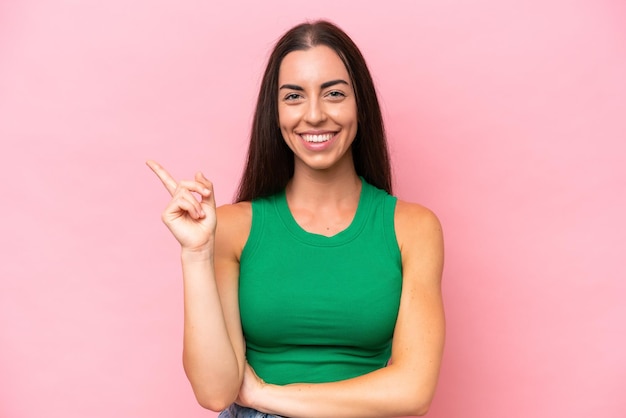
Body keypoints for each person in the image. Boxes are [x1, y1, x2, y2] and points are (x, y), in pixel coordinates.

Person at [147, 20, 445, 418]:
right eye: (293, 97)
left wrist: (265, 396)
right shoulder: (233, 227)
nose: (315, 115)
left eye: (334, 94)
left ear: (361, 105)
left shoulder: (413, 228)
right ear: (275, 112)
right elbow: (216, 392)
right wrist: (197, 253)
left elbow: (414, 391)